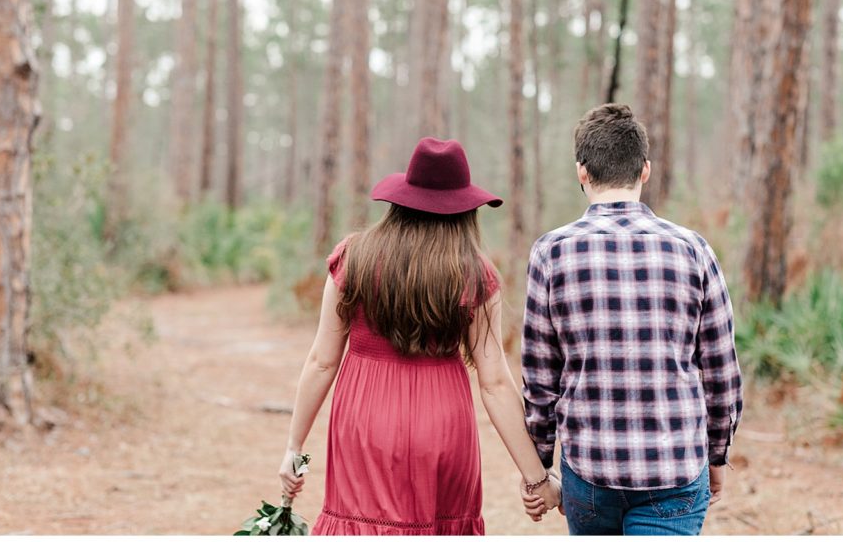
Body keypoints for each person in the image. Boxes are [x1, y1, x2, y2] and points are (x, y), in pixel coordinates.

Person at [277, 137, 561, 535]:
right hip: (443, 426)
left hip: (364, 422)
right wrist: (537, 478)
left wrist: (294, 449)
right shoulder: (475, 274)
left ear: (401, 199)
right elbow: (495, 381)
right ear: (465, 209)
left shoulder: (354, 258)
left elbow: (322, 361)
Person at [519, 103, 744, 535]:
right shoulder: (693, 249)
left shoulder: (551, 252)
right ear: (645, 171)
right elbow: (721, 371)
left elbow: (540, 376)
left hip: (589, 472)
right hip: (675, 471)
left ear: (582, 172)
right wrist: (717, 455)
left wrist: (543, 463)